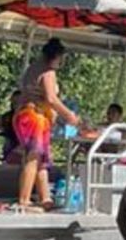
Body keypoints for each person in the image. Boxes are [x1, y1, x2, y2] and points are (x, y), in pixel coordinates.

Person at [13, 38, 80, 210]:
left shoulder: (32, 68)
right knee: (34, 158)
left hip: (27, 115)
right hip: (34, 115)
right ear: (56, 56)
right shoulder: (48, 71)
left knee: (41, 160)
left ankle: (45, 198)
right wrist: (69, 115)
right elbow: (51, 98)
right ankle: (24, 200)